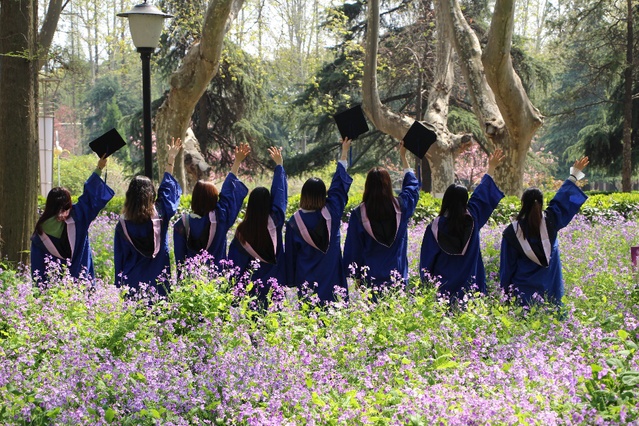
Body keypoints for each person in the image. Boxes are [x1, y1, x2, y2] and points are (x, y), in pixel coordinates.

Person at [500, 157, 589, 306]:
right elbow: (562, 200)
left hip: (522, 296)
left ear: (523, 204)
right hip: (550, 291)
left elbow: (507, 268)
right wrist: (574, 174)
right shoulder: (552, 221)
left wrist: (505, 296)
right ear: (541, 204)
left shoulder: (512, 232)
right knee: (551, 317)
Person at [419, 149, 505, 304]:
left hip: (443, 289)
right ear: (465, 201)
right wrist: (491, 167)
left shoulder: (434, 227)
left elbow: (427, 260)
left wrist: (426, 285)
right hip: (471, 287)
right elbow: (481, 194)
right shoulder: (473, 218)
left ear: (446, 200)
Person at [343, 141, 419, 295]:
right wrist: (403, 157)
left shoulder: (359, 214)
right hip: (398, 278)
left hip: (370, 280)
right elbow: (412, 188)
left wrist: (357, 277)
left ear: (368, 186)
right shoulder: (401, 207)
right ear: (388, 185)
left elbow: (354, 248)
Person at [286, 138, 353, 303]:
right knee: (335, 312)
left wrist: (290, 280)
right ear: (324, 195)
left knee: (310, 315)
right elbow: (338, 187)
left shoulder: (294, 222)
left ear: (303, 195)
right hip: (332, 278)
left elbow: (291, 255)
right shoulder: (332, 213)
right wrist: (344, 152)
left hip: (307, 280)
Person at [114, 138, 183, 297]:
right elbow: (167, 190)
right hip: (159, 279)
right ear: (151, 193)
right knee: (160, 311)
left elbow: (120, 257)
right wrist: (171, 160)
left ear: (129, 196)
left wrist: (119, 285)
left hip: (133, 282)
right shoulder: (161, 213)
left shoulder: (123, 225)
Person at [31, 155, 114, 286]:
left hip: (54, 290)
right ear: (68, 203)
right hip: (81, 284)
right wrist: (99, 167)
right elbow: (90, 197)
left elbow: (37, 267)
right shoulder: (79, 216)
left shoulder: (40, 232)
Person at [173, 143, 250, 270]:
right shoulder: (220, 217)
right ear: (214, 200)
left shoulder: (182, 223)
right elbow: (228, 192)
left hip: (192, 278)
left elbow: (179, 258)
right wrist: (237, 161)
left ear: (194, 198)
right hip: (217, 276)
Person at [228, 147, 287, 304]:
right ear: (269, 204)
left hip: (252, 291)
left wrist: (233, 294)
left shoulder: (242, 231)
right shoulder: (276, 220)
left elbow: (236, 264)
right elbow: (280, 195)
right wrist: (279, 166)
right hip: (275, 286)